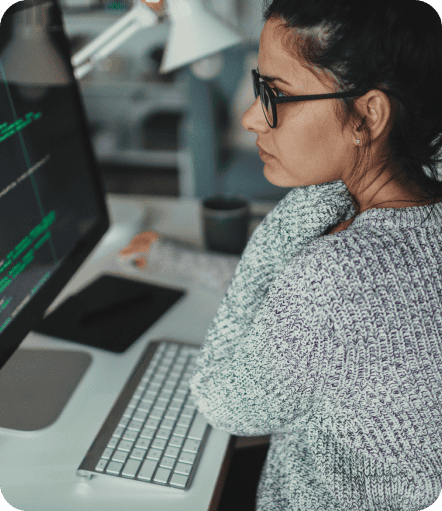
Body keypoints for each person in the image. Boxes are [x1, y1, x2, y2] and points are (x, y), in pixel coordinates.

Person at [120, 0, 442, 509]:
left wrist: (298, 207)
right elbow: (309, 315)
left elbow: (220, 400)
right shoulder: (424, 199)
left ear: (368, 114)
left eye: (276, 94)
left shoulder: (337, 271)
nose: (251, 117)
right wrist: (174, 258)